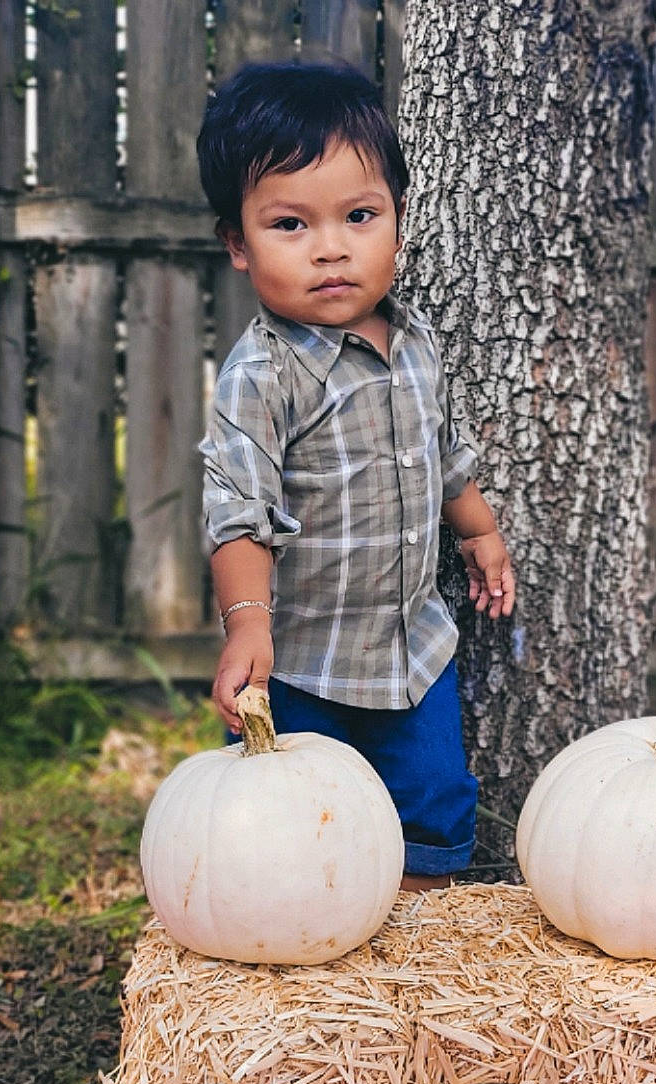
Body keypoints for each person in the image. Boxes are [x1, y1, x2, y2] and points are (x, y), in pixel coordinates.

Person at [195, 60, 514, 892]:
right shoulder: (261, 377)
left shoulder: (416, 341)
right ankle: (312, 933)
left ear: (398, 221)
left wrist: (478, 531)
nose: (331, 247)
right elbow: (239, 514)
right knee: (295, 824)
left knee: (433, 800)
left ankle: (416, 934)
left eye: (359, 216)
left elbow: (444, 454)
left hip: (413, 649)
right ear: (238, 244)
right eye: (290, 224)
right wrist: (246, 626)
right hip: (303, 661)